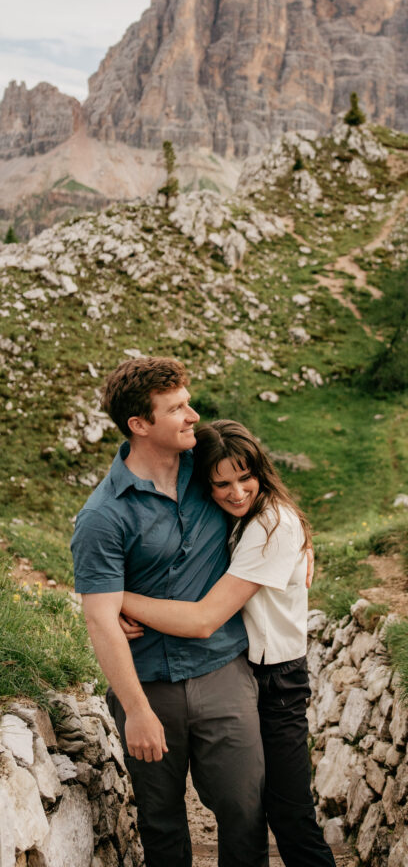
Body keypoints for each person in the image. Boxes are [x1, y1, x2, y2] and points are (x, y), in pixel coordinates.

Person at [70, 359, 268, 867]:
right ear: (139, 424)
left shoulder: (209, 465)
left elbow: (261, 493)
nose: (192, 415)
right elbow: (100, 619)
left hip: (223, 670)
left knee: (245, 811)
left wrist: (299, 543)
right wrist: (136, 710)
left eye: (188, 402)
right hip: (149, 685)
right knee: (161, 823)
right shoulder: (101, 516)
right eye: (177, 408)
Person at [120, 419, 337, 867]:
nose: (237, 492)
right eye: (222, 483)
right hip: (239, 670)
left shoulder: (273, 524)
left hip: (278, 681)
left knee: (290, 815)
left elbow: (204, 619)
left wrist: (112, 599)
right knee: (253, 803)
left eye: (245, 478)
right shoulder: (237, 515)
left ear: (261, 471)